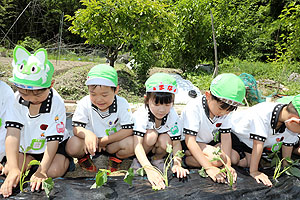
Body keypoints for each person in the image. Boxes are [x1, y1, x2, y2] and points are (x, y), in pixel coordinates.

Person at [0, 45, 70, 197]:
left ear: (50, 85)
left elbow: (52, 140)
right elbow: (12, 132)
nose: (31, 99)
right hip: (26, 148)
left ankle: (50, 164)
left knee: (54, 171)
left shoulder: (56, 103)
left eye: (37, 95)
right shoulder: (16, 99)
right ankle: (30, 161)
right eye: (24, 93)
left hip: (51, 146)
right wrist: (13, 168)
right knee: (8, 170)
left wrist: (42, 171)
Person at [66, 64, 134, 172]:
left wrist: (105, 141)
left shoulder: (122, 103)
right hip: (90, 145)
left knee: (132, 143)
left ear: (116, 90)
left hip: (112, 144)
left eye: (104, 95)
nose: (99, 99)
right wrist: (88, 134)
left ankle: (116, 158)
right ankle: (83, 157)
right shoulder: (85, 102)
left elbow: (128, 129)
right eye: (93, 94)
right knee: (72, 146)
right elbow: (76, 128)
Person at [222, 94, 300, 187]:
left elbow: (288, 145)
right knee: (237, 160)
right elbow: (258, 144)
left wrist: (286, 167)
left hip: (255, 144)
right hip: (238, 136)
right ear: (293, 121)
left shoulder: (288, 121)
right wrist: (254, 171)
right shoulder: (263, 113)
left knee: (251, 161)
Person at [181, 73, 246, 184]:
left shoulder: (225, 111)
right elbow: (190, 140)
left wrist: (228, 165)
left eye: (230, 110)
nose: (224, 113)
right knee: (215, 161)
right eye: (222, 108)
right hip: (189, 141)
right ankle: (185, 159)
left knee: (234, 158)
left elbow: (225, 137)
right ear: (208, 96)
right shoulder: (194, 108)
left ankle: (198, 156)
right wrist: (209, 168)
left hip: (208, 142)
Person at [132, 73, 189, 190]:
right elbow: (137, 144)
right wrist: (148, 169)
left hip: (159, 145)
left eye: (167, 104)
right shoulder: (141, 114)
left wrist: (177, 164)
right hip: (144, 145)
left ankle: (157, 160)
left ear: (173, 102)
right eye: (156, 104)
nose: (162, 109)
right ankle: (139, 162)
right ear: (147, 100)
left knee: (166, 140)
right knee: (151, 135)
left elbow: (176, 143)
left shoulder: (172, 115)